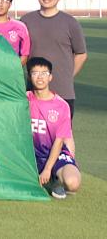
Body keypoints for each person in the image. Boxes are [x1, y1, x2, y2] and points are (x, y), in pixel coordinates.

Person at [21, 0, 87, 117]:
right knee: (32, 130)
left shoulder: (70, 22)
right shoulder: (26, 21)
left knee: (61, 131)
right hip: (33, 90)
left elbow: (81, 54)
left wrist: (68, 76)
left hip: (62, 91)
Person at [27, 56, 81, 199]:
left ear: (50, 77)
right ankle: (47, 178)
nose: (40, 77)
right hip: (30, 155)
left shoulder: (61, 106)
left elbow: (59, 141)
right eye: (35, 73)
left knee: (73, 183)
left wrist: (47, 169)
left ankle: (55, 179)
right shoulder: (24, 100)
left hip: (55, 154)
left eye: (44, 73)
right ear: (29, 76)